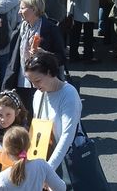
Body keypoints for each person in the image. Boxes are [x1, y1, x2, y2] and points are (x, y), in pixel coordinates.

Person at [24, 50, 83, 184]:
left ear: (50, 72)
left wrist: (48, 171)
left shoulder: (68, 94)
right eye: (31, 81)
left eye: (38, 80)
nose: (34, 86)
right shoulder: (38, 95)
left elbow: (67, 136)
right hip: (43, 157)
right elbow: (36, 130)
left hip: (65, 160)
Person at [7, 0, 67, 89]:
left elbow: (62, 58)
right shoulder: (20, 29)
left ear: (34, 9)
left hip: (43, 84)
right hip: (21, 82)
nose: (19, 12)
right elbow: (13, 59)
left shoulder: (51, 29)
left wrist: (44, 54)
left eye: (22, 8)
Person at [0, 125, 66, 191]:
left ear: (6, 152)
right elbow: (61, 188)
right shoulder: (41, 165)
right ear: (29, 145)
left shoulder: (2, 178)